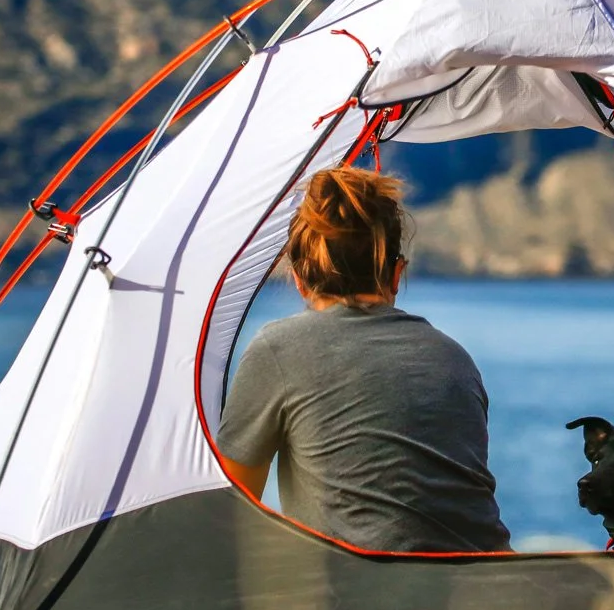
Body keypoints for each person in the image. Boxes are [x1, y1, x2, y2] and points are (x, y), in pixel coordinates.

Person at [216, 167, 511, 554]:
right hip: (491, 589)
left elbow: (234, 509)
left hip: (361, 599)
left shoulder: (278, 348)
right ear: (396, 274)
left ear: (300, 279)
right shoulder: (453, 357)